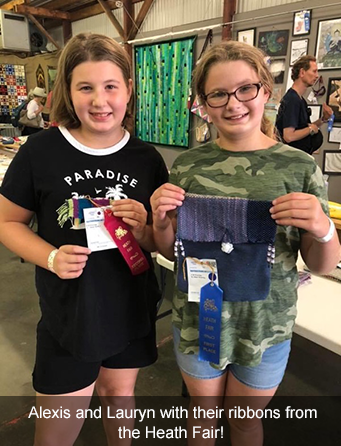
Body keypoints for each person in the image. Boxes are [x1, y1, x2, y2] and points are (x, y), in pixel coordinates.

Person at [151, 41, 340, 446]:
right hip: (198, 320)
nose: (233, 103)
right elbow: (171, 252)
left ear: (265, 91)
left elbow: (321, 264)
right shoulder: (187, 165)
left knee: (244, 424)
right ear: (204, 102)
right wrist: (160, 221)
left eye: (245, 89)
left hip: (266, 327)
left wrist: (323, 227)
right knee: (201, 422)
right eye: (218, 94)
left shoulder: (299, 166)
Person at [0, 33, 168, 446]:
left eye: (111, 86)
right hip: (69, 317)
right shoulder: (41, 152)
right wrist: (52, 256)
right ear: (66, 92)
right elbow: (7, 222)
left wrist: (146, 229)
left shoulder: (147, 160)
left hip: (130, 309)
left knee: (119, 394)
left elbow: (158, 243)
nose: (100, 101)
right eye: (86, 87)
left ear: (128, 89)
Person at [275, 55, 333, 154]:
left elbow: (305, 128)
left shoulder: (300, 99)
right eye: (314, 71)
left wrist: (323, 119)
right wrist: (311, 129)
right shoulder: (292, 100)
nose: (317, 75)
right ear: (302, 72)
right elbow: (289, 136)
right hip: (292, 161)